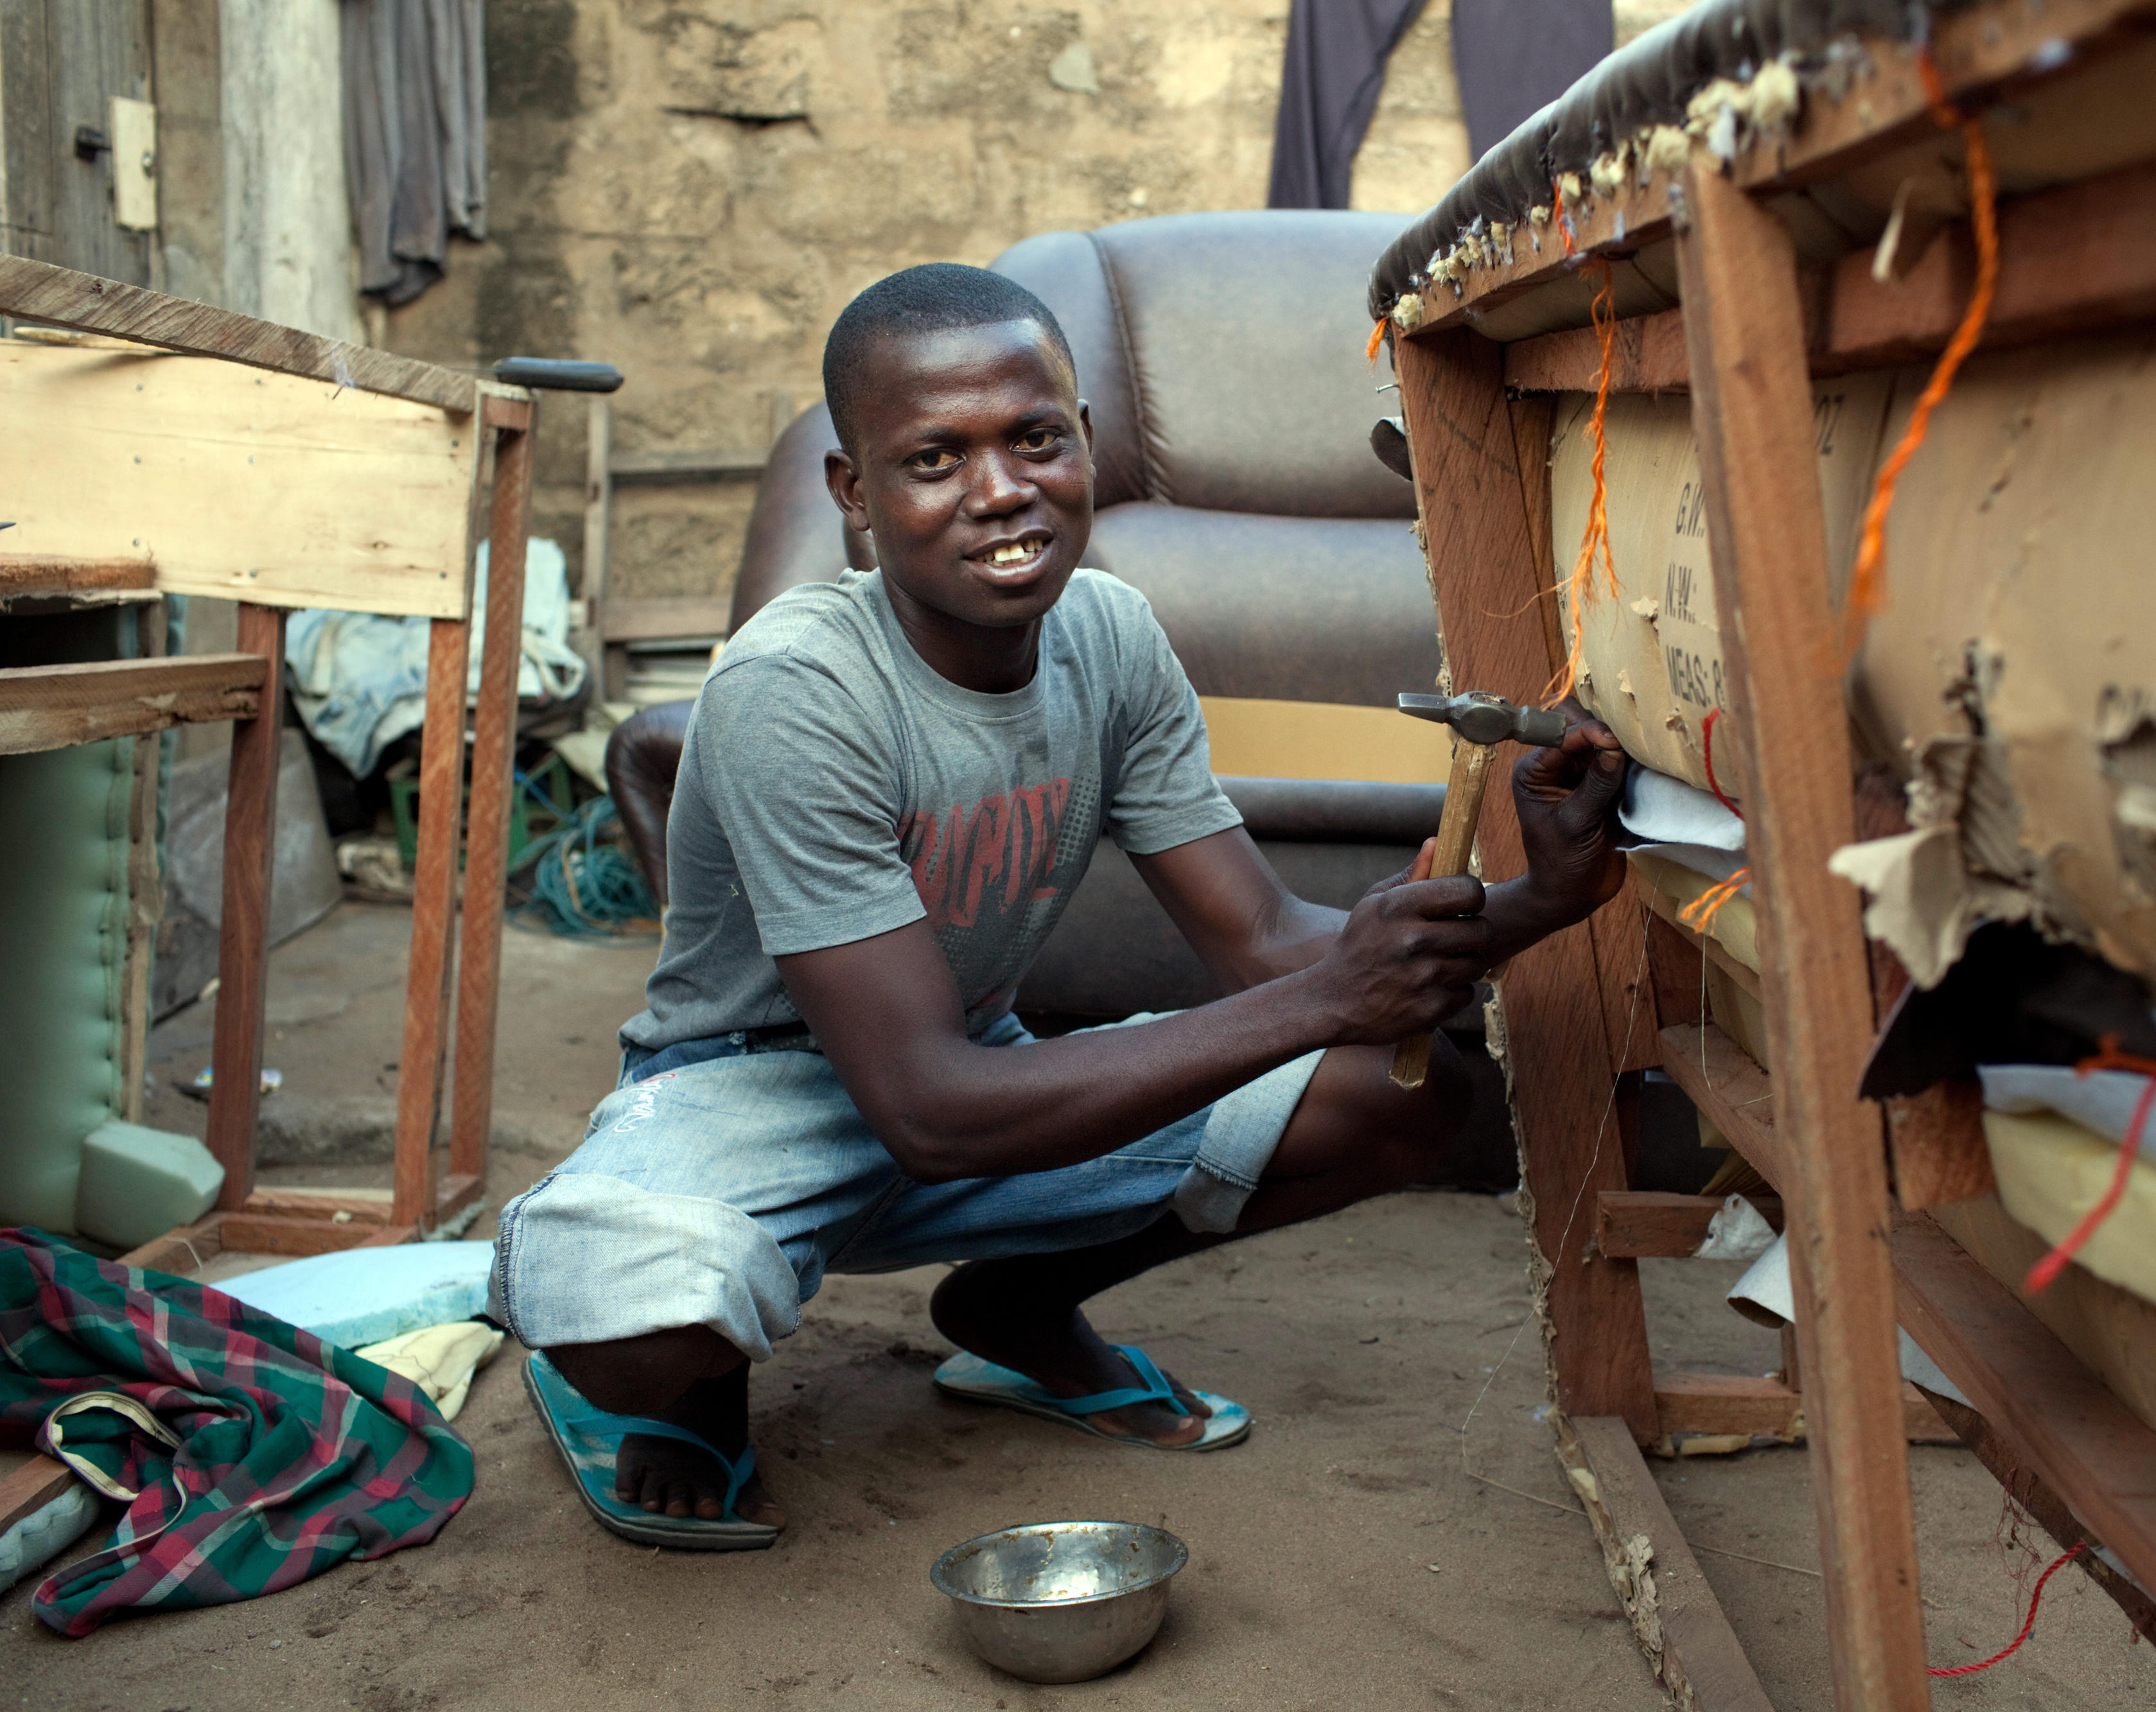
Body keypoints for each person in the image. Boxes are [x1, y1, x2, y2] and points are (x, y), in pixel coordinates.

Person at [489, 263, 1627, 1549]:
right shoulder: (794, 688)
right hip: (755, 1092)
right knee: (631, 1317)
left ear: (1082, 444)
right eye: (933, 458)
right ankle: (690, 1385)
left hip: (980, 1068)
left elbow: (1262, 943)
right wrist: (1323, 996)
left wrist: (1542, 896)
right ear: (855, 496)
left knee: (1399, 1093)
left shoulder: (1109, 634)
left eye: (1034, 439)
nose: (999, 491)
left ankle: (1013, 1313)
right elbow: (924, 1110)